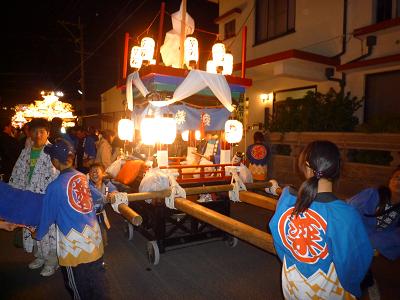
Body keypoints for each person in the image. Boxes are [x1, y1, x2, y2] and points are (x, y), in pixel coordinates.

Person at [269, 140, 373, 299]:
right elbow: (354, 264)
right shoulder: (345, 215)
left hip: (293, 286)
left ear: (306, 167)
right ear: (337, 169)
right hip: (328, 291)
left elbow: (279, 243)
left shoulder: (287, 201)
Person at [35, 138, 110, 299]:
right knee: (98, 282)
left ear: (55, 161)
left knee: (78, 288)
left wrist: (38, 234)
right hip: (94, 241)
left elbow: (47, 216)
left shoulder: (54, 187)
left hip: (73, 247)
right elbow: (98, 197)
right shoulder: (83, 177)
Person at [9, 118, 59, 276]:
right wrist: (14, 195)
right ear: (29, 133)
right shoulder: (25, 152)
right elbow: (16, 174)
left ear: (48, 133)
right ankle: (40, 256)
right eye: (35, 131)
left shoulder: (54, 152)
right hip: (28, 198)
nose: (38, 135)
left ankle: (52, 261)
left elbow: (59, 176)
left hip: (46, 199)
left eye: (42, 131)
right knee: (33, 229)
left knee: (49, 230)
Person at [348, 167, 400, 260]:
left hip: (368, 249)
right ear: (390, 180)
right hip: (351, 241)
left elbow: (395, 236)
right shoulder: (372, 194)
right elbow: (350, 212)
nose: (398, 182)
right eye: (397, 177)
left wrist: (375, 242)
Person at [88, 162, 118, 246]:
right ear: (89, 174)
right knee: (90, 239)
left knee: (103, 238)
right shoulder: (87, 184)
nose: (94, 174)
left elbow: (114, 191)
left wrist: (113, 193)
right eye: (91, 172)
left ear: (103, 173)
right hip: (89, 216)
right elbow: (98, 196)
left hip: (100, 214)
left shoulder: (106, 184)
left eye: (96, 171)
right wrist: (107, 197)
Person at [0, 118, 22, 182]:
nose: (11, 128)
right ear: (6, 127)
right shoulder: (11, 141)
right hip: (9, 170)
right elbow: (18, 155)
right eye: (10, 126)